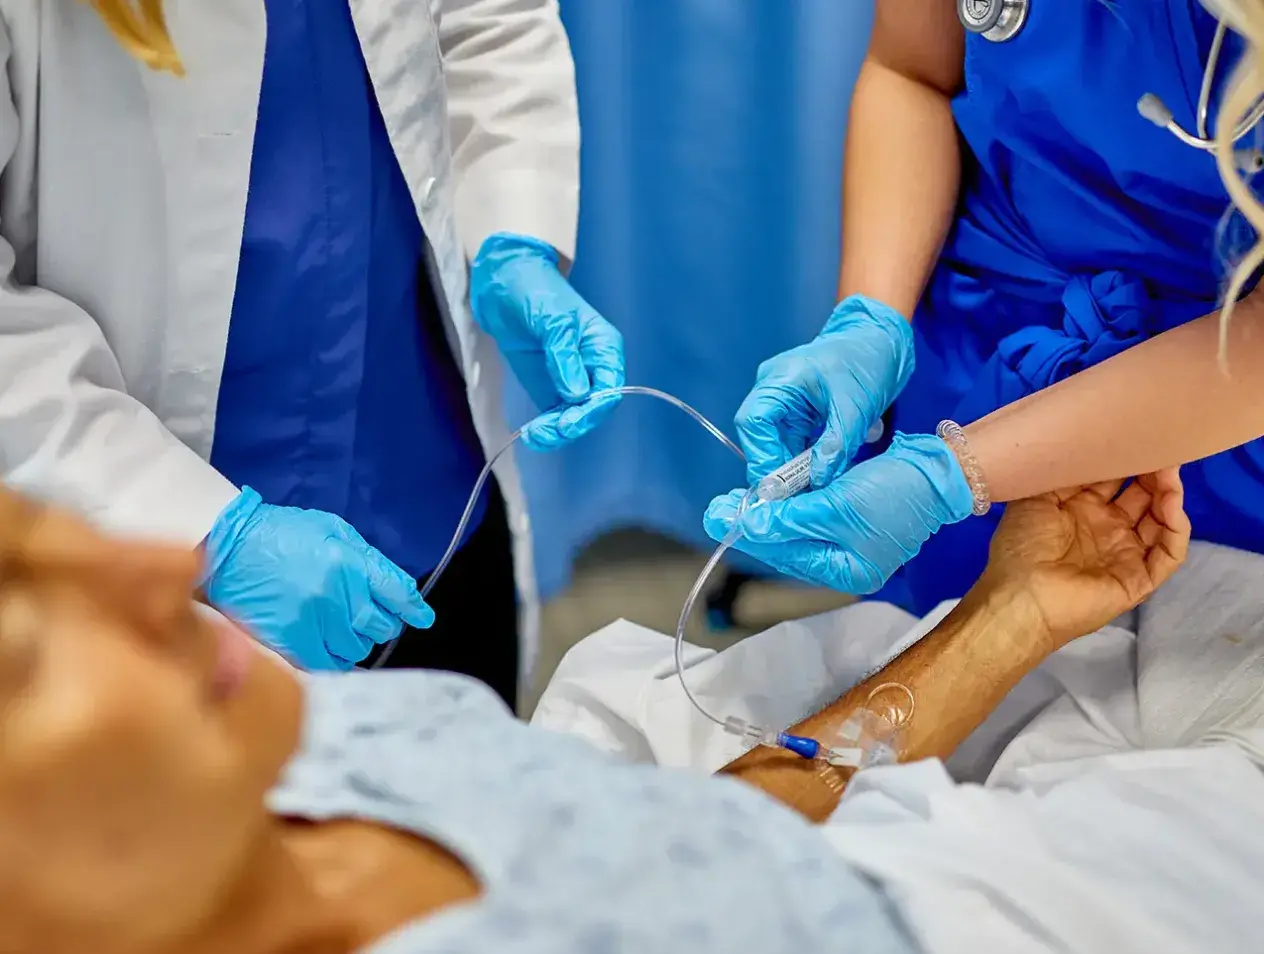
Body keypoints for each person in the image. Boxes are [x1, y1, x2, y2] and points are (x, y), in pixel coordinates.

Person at [0, 453, 1217, 952]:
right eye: (20, 654)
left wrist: (1007, 618)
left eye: (40, 530)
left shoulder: (325, 751)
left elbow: (692, 850)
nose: (158, 564)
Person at [0, 0, 624, 708]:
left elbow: (490, 18)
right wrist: (203, 530)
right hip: (142, 552)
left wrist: (514, 235)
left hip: (430, 496)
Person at [706, 0, 1264, 616]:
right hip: (980, 333)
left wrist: (951, 475)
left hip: (1212, 411)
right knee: (935, 628)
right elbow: (911, 71)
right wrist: (869, 321)